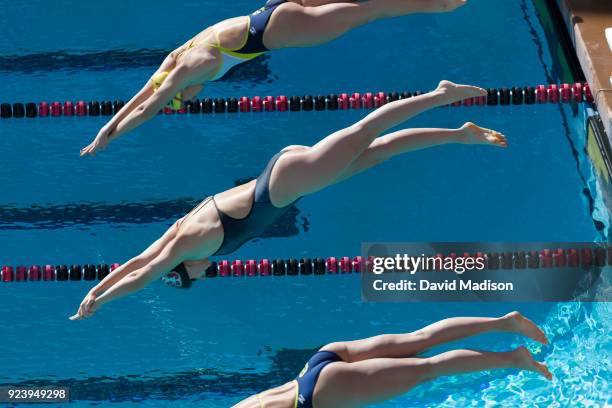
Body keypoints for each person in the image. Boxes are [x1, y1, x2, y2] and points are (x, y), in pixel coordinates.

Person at [70, 81, 506, 320]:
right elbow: (138, 260)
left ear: (187, 270)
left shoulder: (190, 247)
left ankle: (438, 95)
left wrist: (103, 301)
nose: (205, 275)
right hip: (283, 173)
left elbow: (144, 273)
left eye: (196, 279)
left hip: (291, 179)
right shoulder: (177, 235)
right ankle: (460, 134)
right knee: (379, 152)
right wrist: (95, 288)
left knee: (364, 133)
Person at [79, 0, 468, 156]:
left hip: (284, 29)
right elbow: (146, 94)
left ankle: (443, 4)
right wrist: (105, 130)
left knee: (371, 10)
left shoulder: (190, 69)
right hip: (271, 9)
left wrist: (109, 139)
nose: (190, 99)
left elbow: (149, 106)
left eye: (184, 98)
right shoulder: (173, 59)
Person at [234, 312, 551, 408]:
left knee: (430, 368)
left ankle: (513, 358)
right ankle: (505, 322)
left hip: (319, 394)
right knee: (420, 339)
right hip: (315, 366)